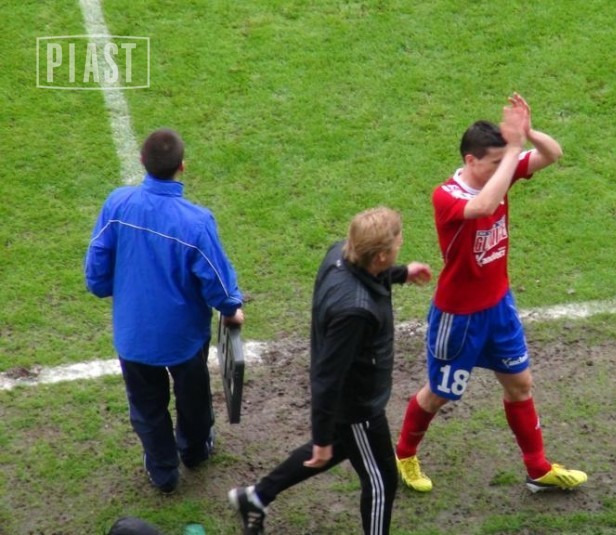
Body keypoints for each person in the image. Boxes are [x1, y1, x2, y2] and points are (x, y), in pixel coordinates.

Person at [394, 93, 588, 494]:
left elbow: (553, 154)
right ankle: (404, 454)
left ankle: (538, 468)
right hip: (458, 317)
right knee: (439, 394)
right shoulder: (447, 195)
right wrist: (513, 152)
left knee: (520, 384)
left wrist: (528, 133)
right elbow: (483, 206)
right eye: (495, 163)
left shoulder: (497, 173)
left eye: (505, 163)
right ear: (470, 160)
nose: (504, 169)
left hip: (499, 307)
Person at [228, 207, 432, 535]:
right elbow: (327, 379)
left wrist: (401, 273)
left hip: (350, 401)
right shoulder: (355, 312)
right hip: (359, 408)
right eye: (397, 241)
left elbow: (370, 273)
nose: (401, 243)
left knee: (338, 447)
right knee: (381, 481)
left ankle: (256, 497)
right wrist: (321, 437)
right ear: (381, 255)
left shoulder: (341, 252)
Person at [85, 129, 244, 494]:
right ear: (182, 167)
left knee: (146, 407)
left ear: (142, 161)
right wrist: (231, 308)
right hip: (183, 338)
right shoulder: (197, 222)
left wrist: (106, 287)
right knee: (193, 397)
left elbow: (97, 263)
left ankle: (163, 471)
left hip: (134, 336)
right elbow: (216, 280)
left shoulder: (117, 204)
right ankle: (195, 450)